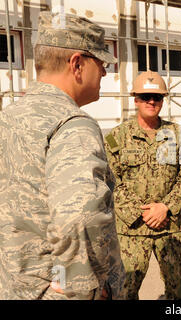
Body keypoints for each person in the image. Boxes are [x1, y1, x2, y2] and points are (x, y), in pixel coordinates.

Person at [0, 12, 125, 299]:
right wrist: (80, 288)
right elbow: (79, 217)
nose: (105, 73)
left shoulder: (8, 118)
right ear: (77, 64)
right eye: (101, 63)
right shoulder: (71, 124)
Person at [104, 70, 181, 300]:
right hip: (131, 231)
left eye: (157, 98)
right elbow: (111, 180)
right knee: (125, 292)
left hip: (169, 226)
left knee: (177, 291)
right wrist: (142, 213)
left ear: (163, 100)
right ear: (135, 99)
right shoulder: (117, 137)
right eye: (145, 97)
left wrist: (165, 207)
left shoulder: (177, 134)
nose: (152, 102)